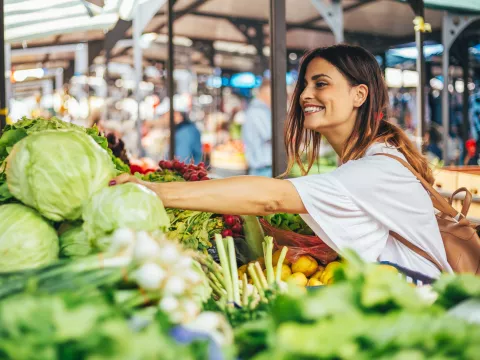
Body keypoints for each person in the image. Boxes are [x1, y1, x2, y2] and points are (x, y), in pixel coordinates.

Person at [110, 44, 451, 279]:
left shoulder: (377, 168)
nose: (304, 95)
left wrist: (151, 190)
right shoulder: (370, 159)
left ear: (359, 95)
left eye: (321, 84)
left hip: (422, 314)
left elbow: (269, 197)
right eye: (303, 84)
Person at [241, 79, 272, 177]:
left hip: (261, 169)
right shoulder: (259, 111)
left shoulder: (255, 109)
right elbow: (272, 135)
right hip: (263, 170)